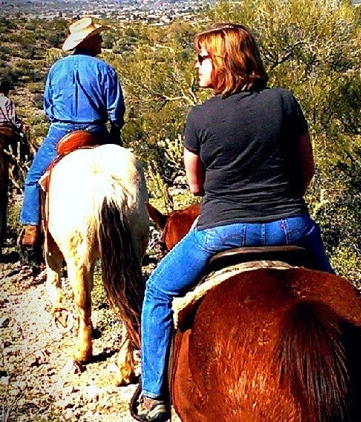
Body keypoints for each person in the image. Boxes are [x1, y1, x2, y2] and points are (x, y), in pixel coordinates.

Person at [137, 23, 334, 422]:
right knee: (339, 297)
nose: (197, 66)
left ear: (224, 61)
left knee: (157, 292)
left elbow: (195, 186)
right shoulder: (284, 102)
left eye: (202, 58)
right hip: (291, 227)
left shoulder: (200, 117)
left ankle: (154, 395)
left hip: (220, 232)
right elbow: (306, 170)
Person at [18, 17, 125, 251]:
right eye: (97, 37)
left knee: (35, 178)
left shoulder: (57, 68)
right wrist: (115, 132)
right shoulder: (105, 69)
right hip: (95, 129)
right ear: (87, 41)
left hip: (61, 130)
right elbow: (115, 110)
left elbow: (47, 105)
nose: (101, 40)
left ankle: (31, 227)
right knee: (124, 175)